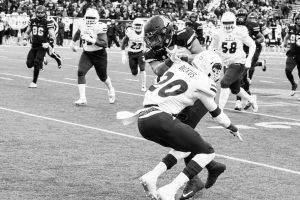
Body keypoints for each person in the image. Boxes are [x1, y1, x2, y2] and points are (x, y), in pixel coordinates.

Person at [134, 51, 242, 200]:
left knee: (184, 148)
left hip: (143, 119)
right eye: (215, 69)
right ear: (209, 67)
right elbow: (218, 115)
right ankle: (170, 190)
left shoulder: (179, 66)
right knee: (208, 151)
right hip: (161, 118)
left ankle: (152, 176)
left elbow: (159, 72)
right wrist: (233, 128)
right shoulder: (203, 82)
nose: (217, 73)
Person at [143, 15, 226, 200]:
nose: (154, 42)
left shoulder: (183, 34)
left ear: (166, 32)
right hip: (180, 95)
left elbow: (203, 56)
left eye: (156, 37)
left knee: (184, 132)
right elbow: (157, 70)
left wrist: (185, 57)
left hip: (200, 88)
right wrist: (171, 60)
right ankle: (211, 167)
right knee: (180, 134)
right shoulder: (151, 52)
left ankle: (196, 178)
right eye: (151, 39)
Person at [209, 11, 258, 112]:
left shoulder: (240, 31)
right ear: (222, 23)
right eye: (225, 23)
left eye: (230, 22)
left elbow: (252, 44)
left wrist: (249, 59)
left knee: (224, 83)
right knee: (235, 89)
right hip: (226, 63)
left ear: (234, 22)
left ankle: (220, 111)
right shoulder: (218, 33)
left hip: (238, 62)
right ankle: (252, 100)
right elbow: (211, 47)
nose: (228, 25)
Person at [69, 8, 115, 105]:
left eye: (92, 18)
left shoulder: (100, 26)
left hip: (99, 54)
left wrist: (91, 39)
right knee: (81, 72)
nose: (90, 20)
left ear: (97, 18)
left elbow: (104, 43)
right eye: (88, 17)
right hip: (87, 53)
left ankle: (111, 89)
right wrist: (73, 43)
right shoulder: (82, 23)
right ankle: (82, 98)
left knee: (103, 77)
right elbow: (78, 32)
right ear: (85, 17)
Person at [234, 10, 265, 111]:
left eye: (243, 16)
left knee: (239, 77)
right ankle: (250, 97)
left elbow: (261, 37)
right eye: (239, 16)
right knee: (242, 79)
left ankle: (238, 101)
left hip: (247, 54)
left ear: (246, 16)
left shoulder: (252, 25)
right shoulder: (233, 25)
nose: (241, 18)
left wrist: (253, 42)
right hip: (235, 54)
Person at [22, 5, 55, 88]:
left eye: (42, 13)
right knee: (29, 64)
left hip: (42, 46)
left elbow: (52, 35)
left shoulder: (48, 22)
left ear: (45, 13)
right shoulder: (32, 21)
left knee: (36, 62)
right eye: (38, 13)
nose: (40, 14)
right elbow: (27, 31)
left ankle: (34, 82)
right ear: (36, 13)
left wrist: (49, 42)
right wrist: (25, 38)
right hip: (34, 46)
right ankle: (42, 59)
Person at [121, 18, 147, 92]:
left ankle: (143, 85)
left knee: (142, 68)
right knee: (134, 73)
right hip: (131, 53)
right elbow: (124, 42)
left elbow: (149, 42)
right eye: (136, 25)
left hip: (140, 52)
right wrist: (123, 54)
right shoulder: (130, 32)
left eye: (139, 25)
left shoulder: (145, 32)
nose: (138, 26)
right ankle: (137, 70)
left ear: (142, 25)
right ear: (133, 25)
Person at [282, 12, 300, 98]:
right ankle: (293, 84)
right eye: (298, 19)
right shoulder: (291, 27)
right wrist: (284, 46)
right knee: (287, 70)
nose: (299, 21)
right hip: (292, 53)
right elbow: (286, 37)